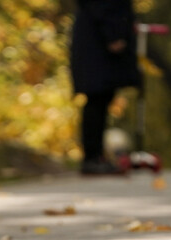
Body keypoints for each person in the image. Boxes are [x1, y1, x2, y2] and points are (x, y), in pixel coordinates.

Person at [70, 0, 141, 175]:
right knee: (97, 99)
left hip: (98, 41)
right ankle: (92, 157)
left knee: (102, 98)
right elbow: (102, 6)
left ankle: (96, 156)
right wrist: (113, 34)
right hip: (98, 43)